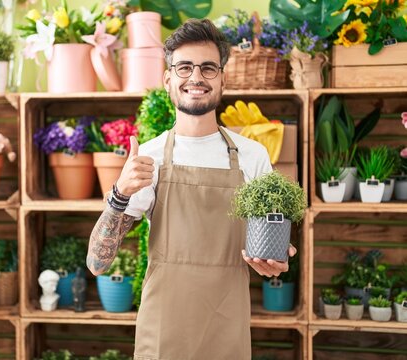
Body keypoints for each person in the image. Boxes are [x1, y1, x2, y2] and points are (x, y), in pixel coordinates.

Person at [87, 18, 297, 360]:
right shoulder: (149, 158)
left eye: (208, 68)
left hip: (226, 323)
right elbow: (97, 262)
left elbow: (266, 242)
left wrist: (272, 257)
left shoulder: (252, 156)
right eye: (184, 67)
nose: (196, 77)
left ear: (223, 79)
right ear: (168, 78)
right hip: (163, 328)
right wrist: (119, 194)